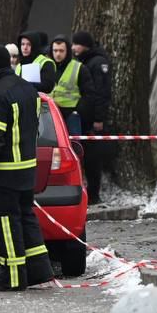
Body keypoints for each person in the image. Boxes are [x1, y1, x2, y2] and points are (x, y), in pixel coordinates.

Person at [0, 44, 54, 290]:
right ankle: (38, 269)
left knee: (6, 222)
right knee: (26, 217)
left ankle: (12, 276)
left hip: (5, 172)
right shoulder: (27, 89)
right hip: (27, 169)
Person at [72, 31, 112, 204]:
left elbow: (102, 93)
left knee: (92, 157)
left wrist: (98, 118)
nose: (73, 47)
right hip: (84, 116)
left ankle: (94, 194)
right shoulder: (84, 61)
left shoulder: (97, 62)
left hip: (93, 120)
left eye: (77, 44)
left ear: (86, 46)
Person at [49, 35, 86, 136]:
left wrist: (78, 110)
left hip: (71, 114)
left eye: (61, 51)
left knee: (74, 142)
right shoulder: (48, 66)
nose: (58, 54)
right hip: (50, 113)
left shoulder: (78, 68)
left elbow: (88, 94)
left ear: (67, 51)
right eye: (55, 50)